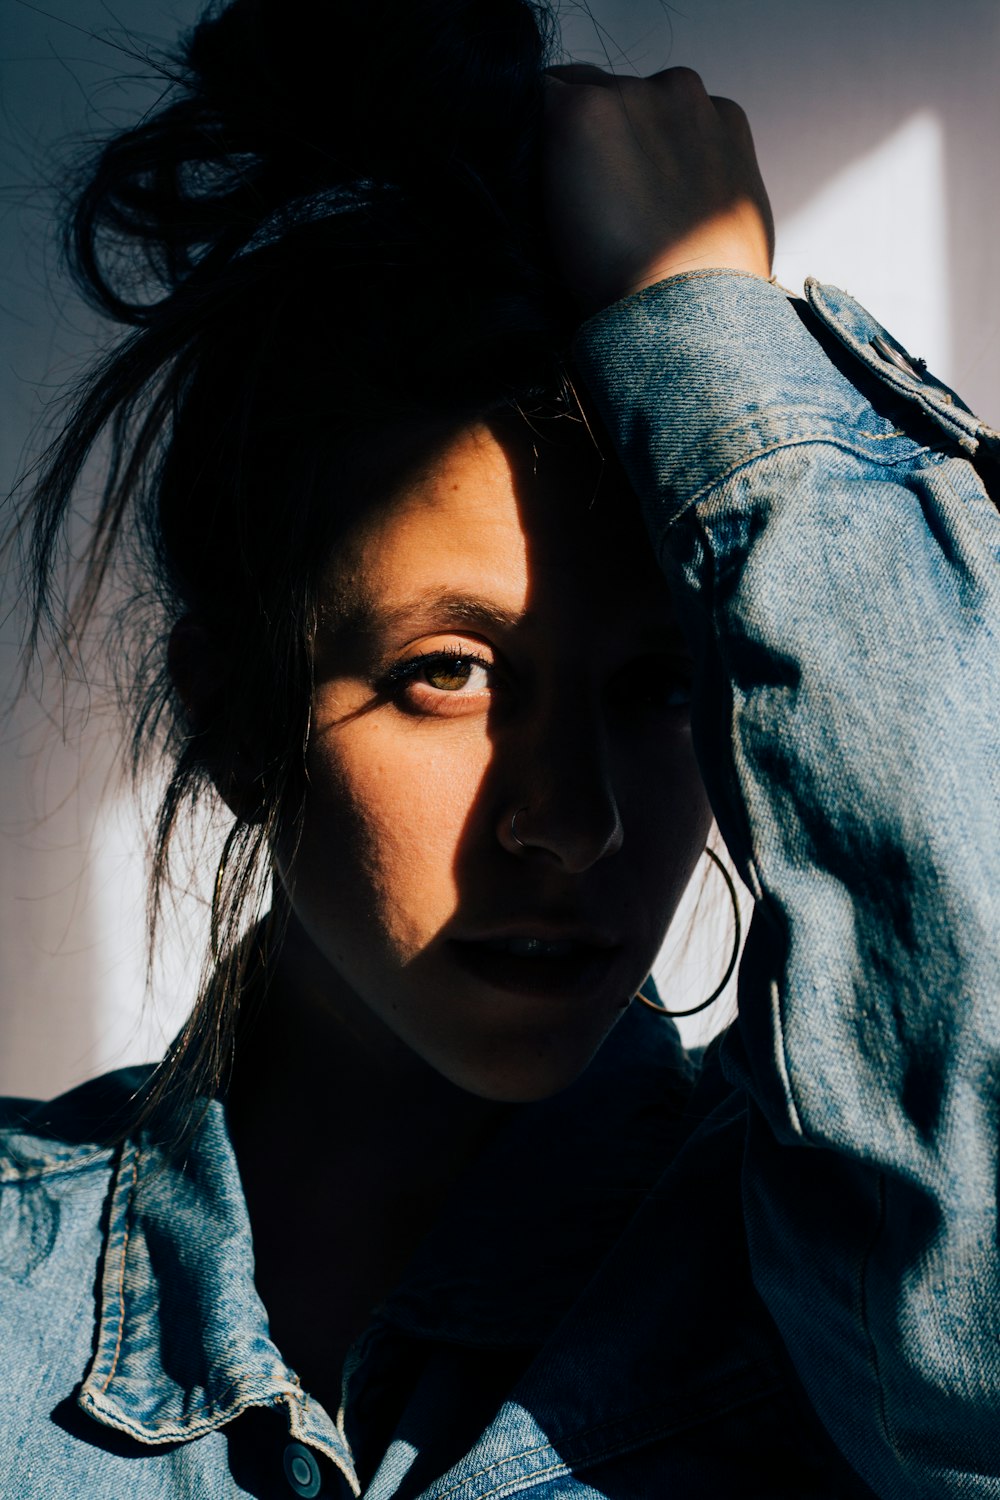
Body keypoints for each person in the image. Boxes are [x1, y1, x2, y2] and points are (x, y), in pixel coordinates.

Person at [2, 1, 998, 1495]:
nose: (573, 821)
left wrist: (717, 348)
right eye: (451, 675)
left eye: (660, 684)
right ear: (231, 712)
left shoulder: (834, 1303)